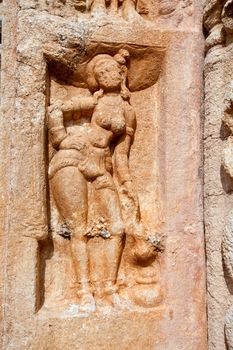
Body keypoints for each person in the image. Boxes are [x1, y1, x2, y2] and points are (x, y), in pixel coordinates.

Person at [48, 49, 140, 309]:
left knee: (118, 228)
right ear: (97, 80)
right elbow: (55, 110)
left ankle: (109, 289)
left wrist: (128, 185)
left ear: (121, 73)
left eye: (111, 70)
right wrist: (62, 140)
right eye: (101, 73)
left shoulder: (127, 111)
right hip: (70, 161)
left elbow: (121, 155)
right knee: (78, 228)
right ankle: (84, 291)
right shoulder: (93, 103)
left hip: (100, 168)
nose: (107, 74)